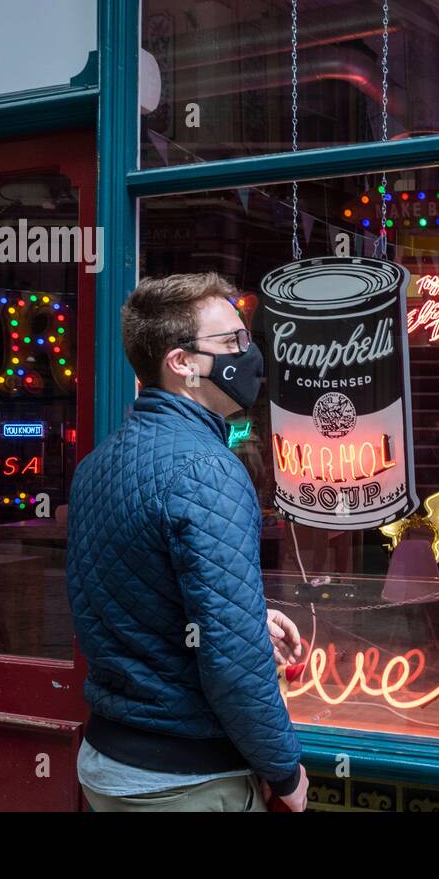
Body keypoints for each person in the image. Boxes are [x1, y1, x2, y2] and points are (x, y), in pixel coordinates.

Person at [67, 272, 308, 812]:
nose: (250, 355)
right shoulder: (207, 469)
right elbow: (231, 662)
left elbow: (130, 598)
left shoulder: (97, 464)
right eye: (232, 343)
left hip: (108, 760)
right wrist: (284, 771)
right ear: (182, 363)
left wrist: (243, 613)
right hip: (182, 780)